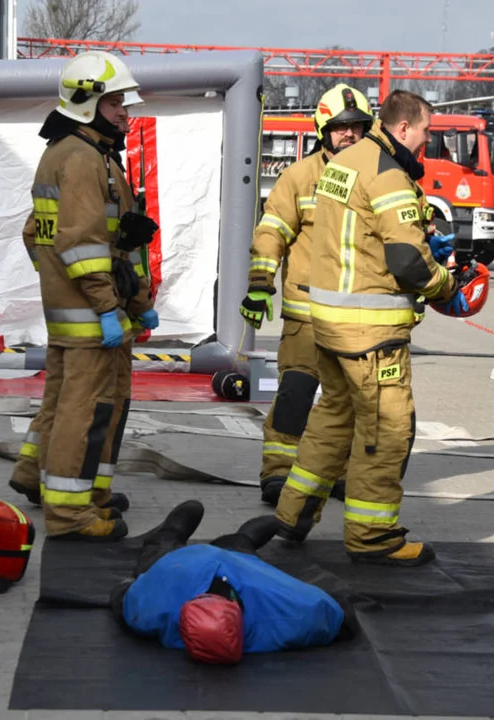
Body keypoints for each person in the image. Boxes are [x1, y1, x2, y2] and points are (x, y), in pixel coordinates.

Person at [272, 90, 459, 567]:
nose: (426, 141)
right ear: (403, 129)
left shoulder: (346, 161)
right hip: (370, 333)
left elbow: (364, 237)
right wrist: (444, 285)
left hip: (331, 325)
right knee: (387, 430)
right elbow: (405, 262)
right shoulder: (387, 172)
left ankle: (292, 515)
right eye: (425, 131)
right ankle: (373, 536)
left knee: (333, 422)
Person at [18, 51, 160, 541]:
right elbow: (81, 246)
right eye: (116, 100)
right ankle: (70, 513)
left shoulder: (71, 151)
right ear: (88, 102)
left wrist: (134, 300)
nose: (126, 111)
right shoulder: (80, 158)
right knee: (89, 409)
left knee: (63, 401)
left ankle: (40, 479)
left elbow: (37, 234)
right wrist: (104, 306)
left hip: (74, 306)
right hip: (89, 313)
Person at [241, 84, 374, 507]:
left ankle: (339, 473)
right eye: (341, 128)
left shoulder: (378, 179)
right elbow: (271, 233)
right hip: (307, 315)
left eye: (357, 128)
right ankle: (279, 473)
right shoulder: (298, 178)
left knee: (355, 401)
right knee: (296, 394)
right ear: (323, 129)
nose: (349, 135)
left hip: (357, 317)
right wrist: (260, 285)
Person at [110, 500, 352, 664]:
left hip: (180, 568)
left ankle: (168, 535)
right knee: (240, 550)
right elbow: (334, 612)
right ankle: (242, 538)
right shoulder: (287, 615)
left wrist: (127, 584)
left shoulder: (152, 610)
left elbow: (124, 596)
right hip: (242, 569)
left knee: (156, 557)